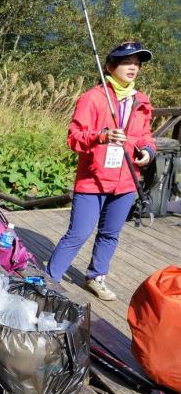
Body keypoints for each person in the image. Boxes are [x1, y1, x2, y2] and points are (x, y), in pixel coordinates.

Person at [46, 41, 156, 301]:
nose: (133, 68)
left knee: (110, 234)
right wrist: (101, 136)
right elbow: (74, 138)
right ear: (110, 66)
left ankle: (96, 277)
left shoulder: (141, 101)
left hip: (126, 180)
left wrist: (148, 151)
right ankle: (49, 280)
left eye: (137, 64)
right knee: (79, 233)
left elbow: (145, 136)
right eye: (127, 62)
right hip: (92, 180)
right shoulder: (93, 97)